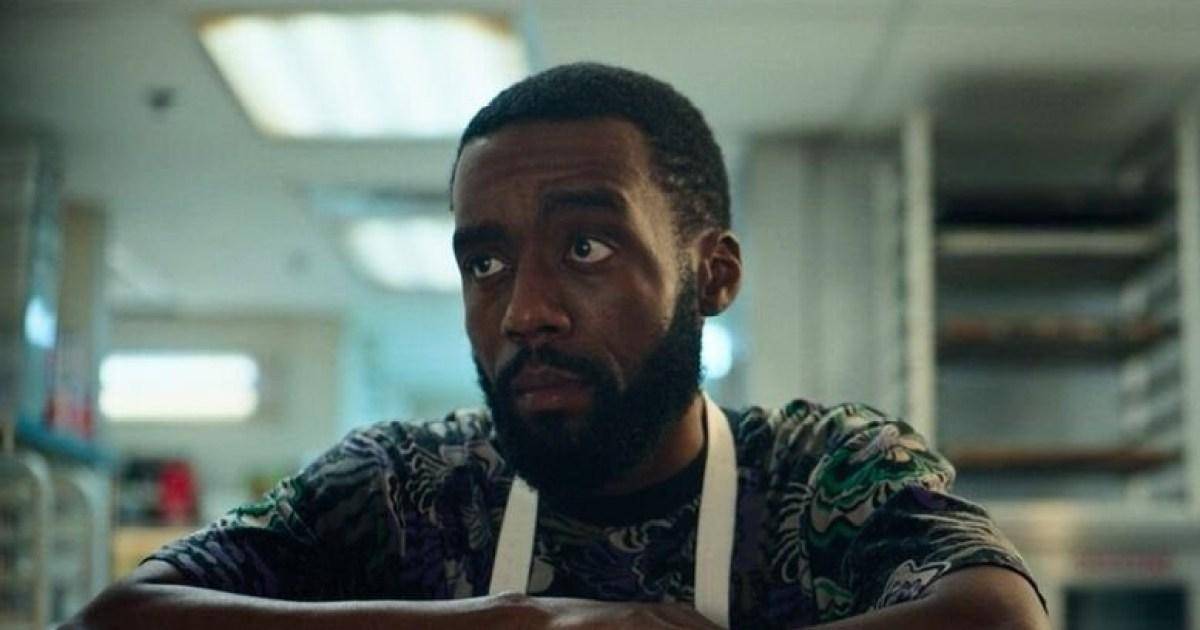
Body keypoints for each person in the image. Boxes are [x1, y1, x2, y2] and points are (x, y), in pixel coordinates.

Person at [68, 62, 1047, 630]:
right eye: (486, 262)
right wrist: (505, 628)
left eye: (585, 247)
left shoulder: (823, 475)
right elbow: (122, 616)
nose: (525, 309)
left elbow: (1000, 616)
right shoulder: (402, 490)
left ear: (713, 274)